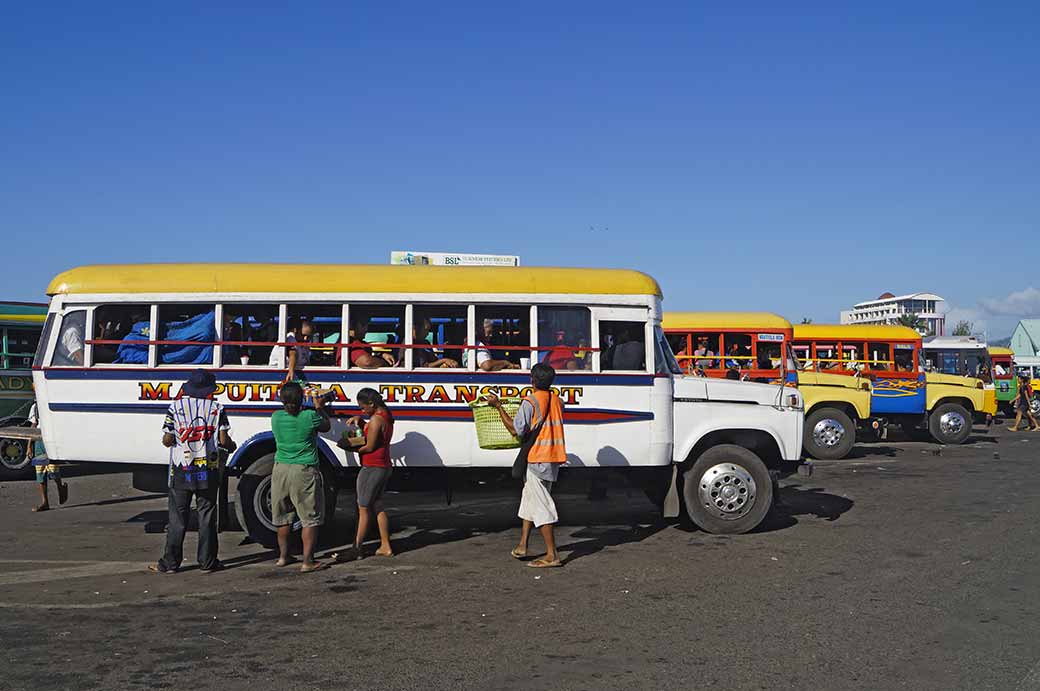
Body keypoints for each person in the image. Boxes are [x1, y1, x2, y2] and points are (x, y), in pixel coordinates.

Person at [150, 370, 235, 574]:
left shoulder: (175, 407)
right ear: (209, 390)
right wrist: (231, 446)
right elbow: (223, 441)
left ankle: (170, 563)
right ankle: (208, 561)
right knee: (207, 516)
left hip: (182, 470)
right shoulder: (217, 408)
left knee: (178, 518)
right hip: (208, 470)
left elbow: (167, 440)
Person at [486, 363, 567, 568]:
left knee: (541, 506)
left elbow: (516, 430)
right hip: (553, 457)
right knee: (529, 500)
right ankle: (523, 545)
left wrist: (498, 407)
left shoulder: (530, 402)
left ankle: (552, 555)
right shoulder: (557, 400)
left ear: (532, 380)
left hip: (537, 457)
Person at [271, 381, 332, 572]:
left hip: (280, 469)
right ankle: (308, 561)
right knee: (309, 518)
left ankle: (283, 556)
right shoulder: (310, 416)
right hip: (303, 470)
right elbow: (326, 427)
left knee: (283, 517)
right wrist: (320, 408)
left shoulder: (276, 417)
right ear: (302, 398)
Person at [340, 388, 395, 559]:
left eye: (363, 408)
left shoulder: (376, 419)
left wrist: (349, 447)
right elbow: (378, 437)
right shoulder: (385, 416)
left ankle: (357, 547)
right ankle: (385, 545)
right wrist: (362, 423)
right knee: (377, 505)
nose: (361, 411)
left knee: (363, 509)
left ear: (371, 404)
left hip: (372, 467)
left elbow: (370, 446)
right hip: (384, 465)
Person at [26, 397, 68, 512]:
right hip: (39, 440)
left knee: (53, 470)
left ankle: (60, 487)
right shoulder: (35, 408)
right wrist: (29, 445)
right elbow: (33, 426)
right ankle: (45, 502)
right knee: (40, 473)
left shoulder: (52, 404)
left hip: (51, 438)